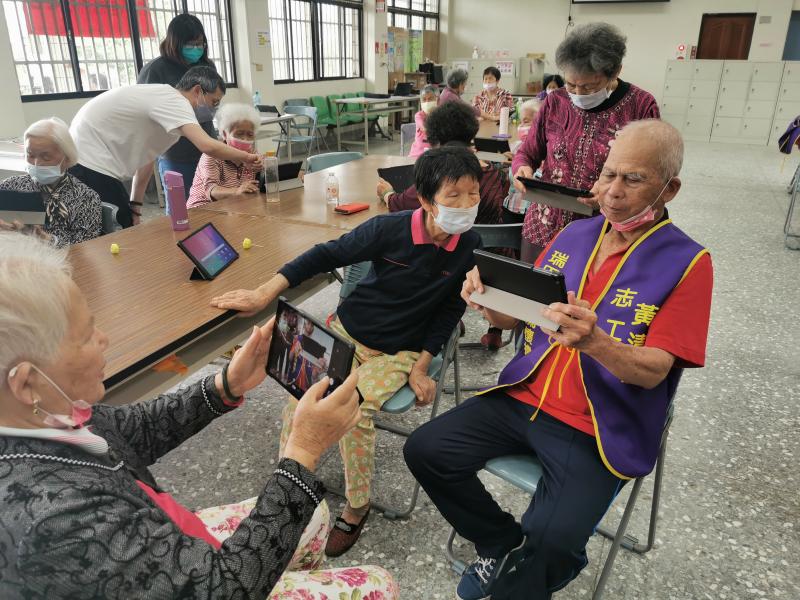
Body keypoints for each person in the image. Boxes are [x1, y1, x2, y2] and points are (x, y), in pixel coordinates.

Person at [404, 120, 713, 600]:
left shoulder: (688, 262)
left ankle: (525, 580)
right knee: (425, 450)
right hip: (525, 393)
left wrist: (597, 343)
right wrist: (486, 302)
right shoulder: (576, 235)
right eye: (608, 175)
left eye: (633, 179)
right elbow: (514, 322)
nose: (611, 192)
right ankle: (498, 540)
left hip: (599, 422)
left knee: (552, 538)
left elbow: (655, 370)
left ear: (669, 188)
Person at [0, 231, 398, 599]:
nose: (103, 339)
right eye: (86, 336)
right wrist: (305, 451)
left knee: (314, 516)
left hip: (160, 540)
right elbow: (220, 589)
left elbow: (129, 431)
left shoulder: (41, 415)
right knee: (379, 584)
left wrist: (227, 385)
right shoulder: (54, 524)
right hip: (208, 580)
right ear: (26, 383)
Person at [211, 146, 483, 557]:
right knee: (301, 404)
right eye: (454, 196)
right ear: (426, 201)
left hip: (398, 354)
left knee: (352, 411)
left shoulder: (470, 245)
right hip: (347, 335)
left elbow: (450, 310)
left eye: (473, 195)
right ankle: (286, 493)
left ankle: (357, 507)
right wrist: (264, 292)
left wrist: (422, 366)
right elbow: (326, 255)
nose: (466, 206)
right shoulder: (388, 230)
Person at [511, 22, 660, 263]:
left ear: (615, 72)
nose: (578, 94)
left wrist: (608, 190)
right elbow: (527, 153)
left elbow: (652, 175)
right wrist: (521, 168)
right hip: (544, 225)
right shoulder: (556, 101)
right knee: (536, 292)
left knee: (585, 298)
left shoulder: (641, 106)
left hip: (604, 230)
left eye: (589, 86)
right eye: (571, 84)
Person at [377, 102, 511, 351]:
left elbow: (399, 205)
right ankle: (494, 329)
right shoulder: (495, 172)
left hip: (452, 264)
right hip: (493, 265)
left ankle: (446, 317)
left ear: (436, 140)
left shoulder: (441, 176)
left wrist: (386, 193)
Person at [69, 66, 261, 227]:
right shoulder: (175, 101)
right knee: (113, 229)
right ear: (197, 91)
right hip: (89, 159)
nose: (214, 109)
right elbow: (207, 145)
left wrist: (135, 207)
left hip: (89, 159)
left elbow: (146, 163)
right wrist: (247, 157)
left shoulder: (168, 115)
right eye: (214, 102)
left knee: (123, 222)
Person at [138, 14, 218, 201]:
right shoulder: (156, 70)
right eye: (190, 44)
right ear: (175, 42)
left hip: (206, 147)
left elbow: (214, 98)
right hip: (175, 152)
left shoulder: (206, 66)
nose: (196, 48)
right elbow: (148, 113)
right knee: (180, 208)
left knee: (211, 202)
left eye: (200, 43)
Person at [0, 118, 100, 247]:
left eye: (46, 157)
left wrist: (46, 239)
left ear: (68, 158)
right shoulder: (10, 187)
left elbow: (87, 247)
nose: (36, 163)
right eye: (30, 155)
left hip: (62, 263)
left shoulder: (85, 198)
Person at [186, 102, 260, 208]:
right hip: (202, 210)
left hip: (231, 208)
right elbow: (211, 191)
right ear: (225, 134)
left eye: (250, 135)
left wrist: (264, 166)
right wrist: (238, 191)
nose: (245, 139)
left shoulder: (252, 155)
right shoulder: (212, 155)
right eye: (239, 134)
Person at [408, 84, 439, 158]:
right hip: (417, 155)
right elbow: (425, 128)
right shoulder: (419, 115)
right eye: (424, 99)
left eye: (430, 99)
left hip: (434, 154)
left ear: (437, 99)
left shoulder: (441, 114)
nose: (427, 102)